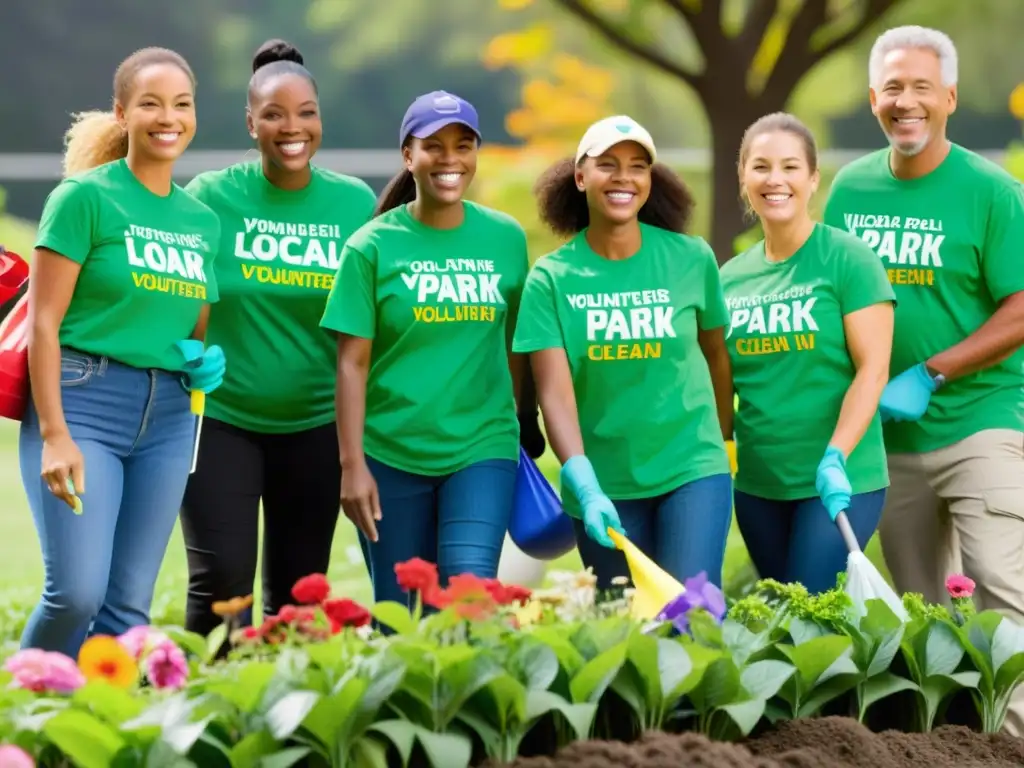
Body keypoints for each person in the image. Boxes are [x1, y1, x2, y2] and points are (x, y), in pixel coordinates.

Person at [823, 25, 1024, 733]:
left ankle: (1015, 742)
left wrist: (933, 371)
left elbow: (1022, 306)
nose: (906, 102)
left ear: (950, 98)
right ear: (874, 98)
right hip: (887, 437)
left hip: (982, 422)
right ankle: (942, 748)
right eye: (893, 89)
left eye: (921, 88)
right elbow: (833, 292)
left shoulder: (992, 192)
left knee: (1002, 590)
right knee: (917, 610)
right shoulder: (850, 188)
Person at [20, 48, 224, 657]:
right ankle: (22, 726)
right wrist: (55, 432)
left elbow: (196, 321)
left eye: (182, 104)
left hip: (167, 418)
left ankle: (97, 742)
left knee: (127, 610)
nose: (170, 117)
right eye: (151, 103)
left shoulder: (201, 221)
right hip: (84, 403)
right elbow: (44, 323)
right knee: (76, 594)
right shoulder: (84, 198)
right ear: (121, 113)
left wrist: (199, 360)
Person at [178, 40, 377, 636]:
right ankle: (205, 721)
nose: (293, 128)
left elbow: (368, 326)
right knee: (221, 590)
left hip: (316, 428)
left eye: (306, 112)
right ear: (250, 121)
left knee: (297, 598)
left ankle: (281, 723)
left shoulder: (354, 203)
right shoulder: (211, 197)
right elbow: (172, 287)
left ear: (320, 117)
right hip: (221, 420)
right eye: (274, 114)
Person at [319, 90, 541, 605]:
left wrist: (519, 417)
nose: (449, 159)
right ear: (407, 156)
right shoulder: (370, 247)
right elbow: (351, 365)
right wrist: (352, 465)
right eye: (433, 146)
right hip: (390, 452)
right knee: (399, 611)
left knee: (469, 593)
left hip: (481, 446)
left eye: (463, 145)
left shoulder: (505, 238)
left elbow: (514, 343)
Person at [512, 115, 734, 590]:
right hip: (603, 478)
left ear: (650, 180)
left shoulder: (691, 258)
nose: (623, 177)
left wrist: (723, 441)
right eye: (607, 164)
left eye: (637, 166)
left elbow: (717, 356)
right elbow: (555, 395)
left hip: (691, 467)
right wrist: (582, 481)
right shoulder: (551, 279)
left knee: (691, 613)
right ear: (580, 176)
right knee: (621, 626)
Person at [722, 113, 896, 595]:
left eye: (790, 167)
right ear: (743, 177)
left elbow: (873, 369)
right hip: (759, 487)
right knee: (787, 626)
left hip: (840, 481)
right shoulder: (729, 278)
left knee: (811, 611)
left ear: (813, 179)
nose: (774, 179)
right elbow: (722, 382)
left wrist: (836, 454)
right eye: (760, 166)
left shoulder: (848, 259)